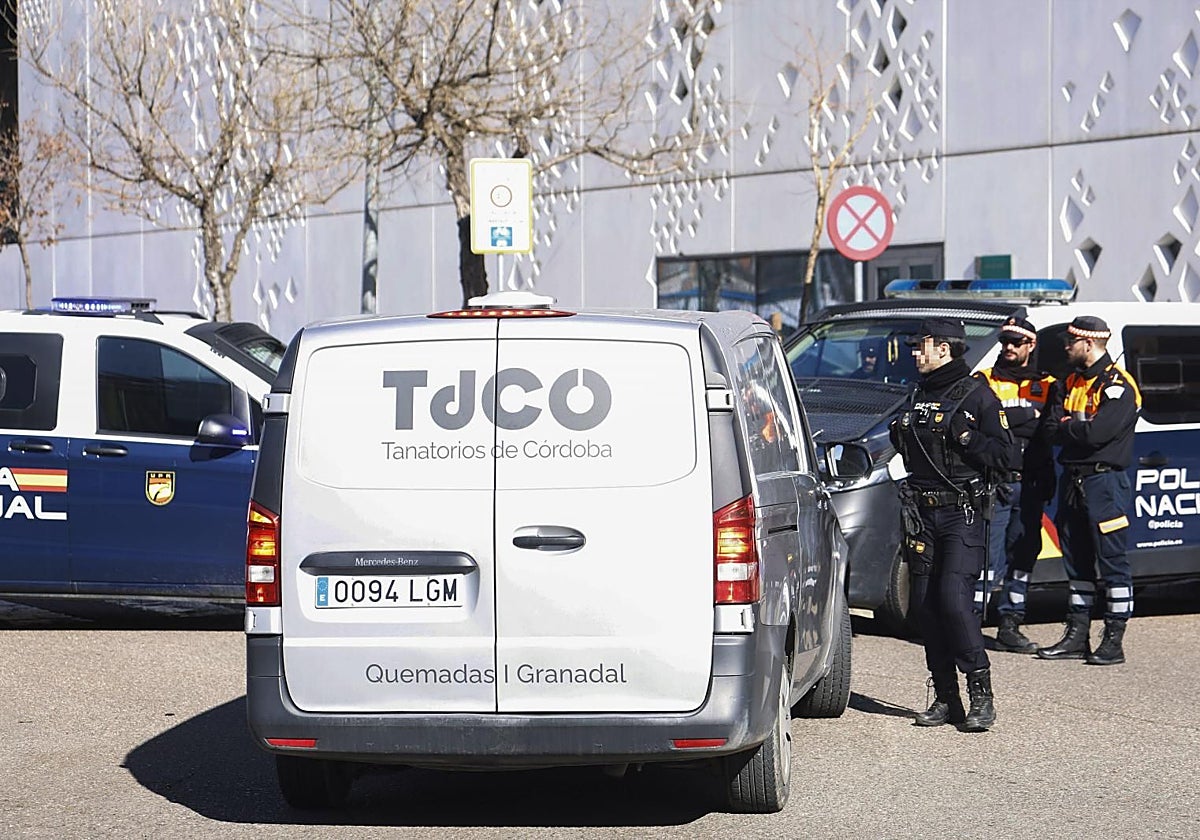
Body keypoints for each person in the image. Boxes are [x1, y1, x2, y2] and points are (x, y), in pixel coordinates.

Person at [890, 317, 1017, 732]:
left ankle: (981, 692)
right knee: (925, 606)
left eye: (920, 345)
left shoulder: (977, 396)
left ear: (943, 348)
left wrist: (965, 438)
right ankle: (947, 698)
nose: (915, 353)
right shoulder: (917, 394)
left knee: (953, 599)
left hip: (960, 512)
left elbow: (1005, 457)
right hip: (921, 513)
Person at [1036, 315, 1142, 665]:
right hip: (1073, 480)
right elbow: (1051, 429)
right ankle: (1076, 635)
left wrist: (1071, 427)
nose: (1066, 347)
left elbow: (1100, 434)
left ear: (1089, 343)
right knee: (1076, 561)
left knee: (1112, 562)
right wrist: (1074, 427)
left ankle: (1113, 639)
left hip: (1104, 482)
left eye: (1071, 341)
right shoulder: (1069, 382)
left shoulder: (1118, 385)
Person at [974, 316, 1057, 652]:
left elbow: (1050, 429)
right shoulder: (985, 380)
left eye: (1015, 342)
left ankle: (1011, 623)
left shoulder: (1049, 383)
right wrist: (1027, 418)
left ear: (1030, 346)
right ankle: (971, 625)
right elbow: (987, 425)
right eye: (1004, 341)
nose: (1008, 348)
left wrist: (1013, 421)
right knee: (986, 558)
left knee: (1024, 554)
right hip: (997, 483)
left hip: (1033, 482)